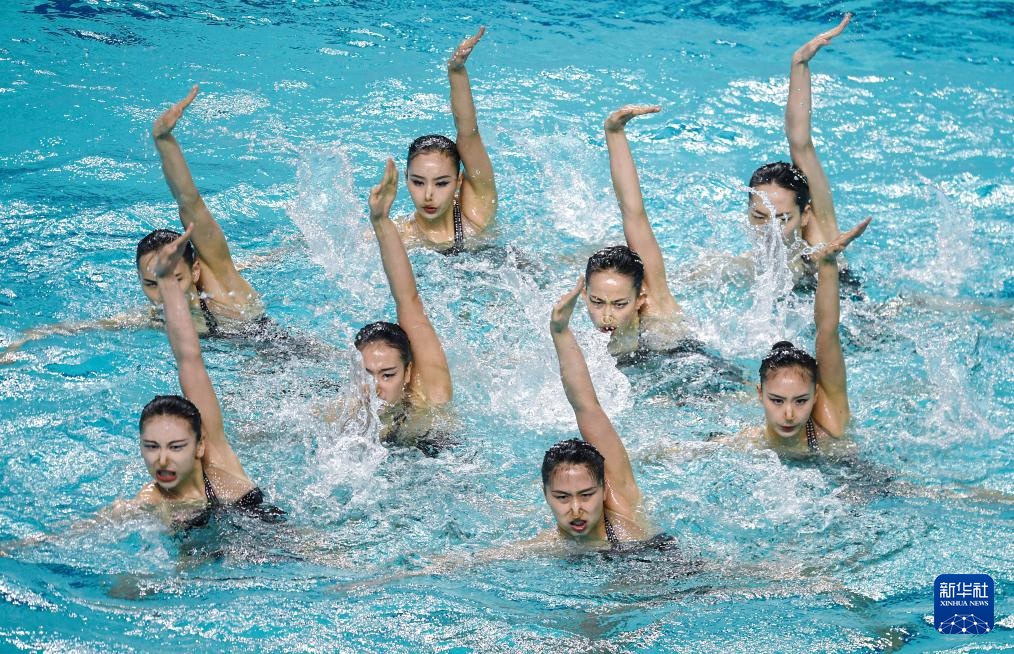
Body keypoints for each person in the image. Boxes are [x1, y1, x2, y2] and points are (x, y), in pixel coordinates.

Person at [133, 225, 282, 527]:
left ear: (200, 446)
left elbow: (190, 360)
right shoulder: (150, 502)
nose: (162, 459)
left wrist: (167, 280)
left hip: (286, 549)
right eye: (152, 446)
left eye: (176, 446)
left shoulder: (217, 462)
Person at [538, 276, 655, 547]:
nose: (576, 510)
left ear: (604, 491)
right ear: (545, 495)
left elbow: (586, 406)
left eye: (587, 495)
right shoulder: (548, 547)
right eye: (562, 497)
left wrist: (560, 331)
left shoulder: (622, 509)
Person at [136, 85, 263, 334]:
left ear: (195, 271)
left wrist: (163, 140)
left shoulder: (222, 291)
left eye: (175, 280)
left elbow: (189, 201)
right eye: (151, 284)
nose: (165, 295)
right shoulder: (157, 318)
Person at [742, 217, 871, 455]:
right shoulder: (749, 444)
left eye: (801, 400)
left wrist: (828, 263)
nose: (789, 414)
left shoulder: (829, 426)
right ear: (760, 395)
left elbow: (827, 330)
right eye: (777, 400)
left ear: (816, 395)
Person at [353, 159, 453, 452]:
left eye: (388, 375)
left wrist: (381, 221)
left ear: (408, 373)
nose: (376, 389)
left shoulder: (430, 394)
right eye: (366, 375)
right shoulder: (349, 413)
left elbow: (407, 299)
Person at [747, 14, 853, 282]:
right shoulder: (750, 264)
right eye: (759, 217)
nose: (770, 232)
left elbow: (801, 143)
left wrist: (799, 63)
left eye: (783, 219)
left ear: (804, 216)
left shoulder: (818, 238)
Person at [585, 105, 690, 357]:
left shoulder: (655, 309)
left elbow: (634, 213)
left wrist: (614, 132)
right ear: (584, 294)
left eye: (620, 304)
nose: (606, 316)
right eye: (596, 302)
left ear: (639, 299)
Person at [398, 27, 497, 252]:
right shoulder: (400, 236)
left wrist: (456, 70)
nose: (428, 195)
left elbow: (468, 132)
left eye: (442, 183)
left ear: (459, 181)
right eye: (418, 182)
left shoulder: (475, 217)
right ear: (406, 178)